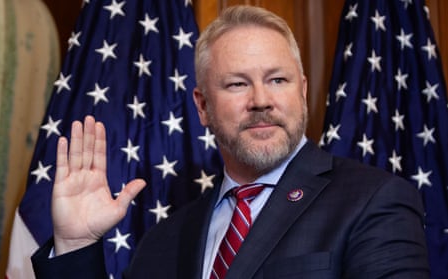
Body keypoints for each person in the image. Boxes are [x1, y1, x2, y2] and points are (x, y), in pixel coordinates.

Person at [31, 5, 429, 279]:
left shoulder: (374, 201)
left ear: (302, 92)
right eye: (237, 84)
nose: (261, 100)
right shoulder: (163, 241)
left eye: (278, 80)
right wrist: (76, 246)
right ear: (202, 107)